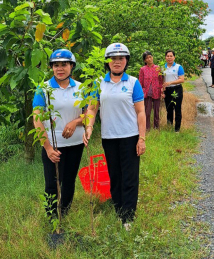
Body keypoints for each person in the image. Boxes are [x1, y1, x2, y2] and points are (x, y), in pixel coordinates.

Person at [83, 43, 146, 230]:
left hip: (130, 136)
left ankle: (128, 216)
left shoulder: (133, 83)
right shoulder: (98, 84)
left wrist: (142, 138)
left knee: (130, 176)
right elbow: (92, 109)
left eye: (121, 58)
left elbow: (141, 112)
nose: (117, 62)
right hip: (109, 137)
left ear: (126, 61)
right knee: (115, 175)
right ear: (107, 62)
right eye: (113, 59)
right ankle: (119, 210)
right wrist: (89, 127)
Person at [32, 49, 84, 217]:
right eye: (56, 65)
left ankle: (65, 213)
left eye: (64, 64)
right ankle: (52, 218)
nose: (60, 68)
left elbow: (89, 114)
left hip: (76, 144)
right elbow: (37, 119)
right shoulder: (43, 89)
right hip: (53, 146)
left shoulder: (82, 88)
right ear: (51, 67)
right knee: (52, 184)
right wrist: (47, 148)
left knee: (69, 181)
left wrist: (76, 121)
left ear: (71, 66)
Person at [139, 51, 163, 131]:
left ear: (152, 57)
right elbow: (140, 82)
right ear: (145, 60)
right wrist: (142, 91)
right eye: (147, 58)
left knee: (156, 111)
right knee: (147, 112)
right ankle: (147, 128)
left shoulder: (158, 68)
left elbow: (160, 81)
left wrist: (161, 90)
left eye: (150, 57)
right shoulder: (143, 69)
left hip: (156, 92)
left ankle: (156, 127)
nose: (149, 59)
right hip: (147, 93)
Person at [162, 49, 185, 133]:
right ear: (165, 57)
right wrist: (162, 90)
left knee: (177, 109)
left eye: (171, 56)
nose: (169, 58)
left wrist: (170, 82)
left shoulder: (178, 67)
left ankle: (177, 130)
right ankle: (169, 127)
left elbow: (182, 80)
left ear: (174, 57)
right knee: (169, 109)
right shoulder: (162, 67)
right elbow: (162, 80)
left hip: (176, 89)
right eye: (167, 56)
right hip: (167, 90)